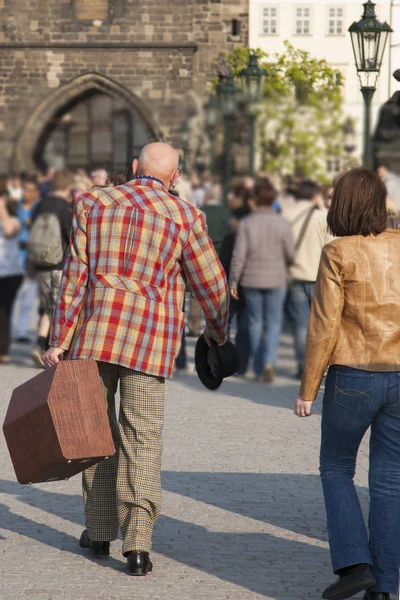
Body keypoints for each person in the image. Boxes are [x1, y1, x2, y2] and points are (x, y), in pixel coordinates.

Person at [43, 142, 229, 576]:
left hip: (94, 334)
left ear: (133, 169)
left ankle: (101, 529)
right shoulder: (185, 216)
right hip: (151, 340)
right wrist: (217, 334)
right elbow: (212, 285)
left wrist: (59, 339)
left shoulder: (93, 202)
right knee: (141, 438)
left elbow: (75, 277)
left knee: (95, 433)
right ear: (175, 176)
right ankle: (139, 544)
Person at [295, 167, 400, 600]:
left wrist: (307, 390)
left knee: (336, 467)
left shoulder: (338, 252)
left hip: (353, 373)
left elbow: (323, 327)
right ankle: (387, 585)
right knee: (390, 480)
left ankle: (355, 563)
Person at [229, 177, 294, 383]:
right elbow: (291, 253)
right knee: (274, 323)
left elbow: (239, 255)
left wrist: (233, 281)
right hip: (276, 278)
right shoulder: (283, 223)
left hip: (251, 279)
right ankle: (270, 362)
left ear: (255, 200)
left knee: (255, 322)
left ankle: (258, 366)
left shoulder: (247, 223)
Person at [283, 180, 332, 379]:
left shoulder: (286, 215)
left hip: (295, 276)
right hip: (320, 276)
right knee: (322, 324)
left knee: (300, 324)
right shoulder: (322, 216)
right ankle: (321, 366)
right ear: (315, 196)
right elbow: (331, 246)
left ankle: (304, 366)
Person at [29, 170, 74, 367]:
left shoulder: (40, 205)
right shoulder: (65, 208)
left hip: (41, 264)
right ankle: (48, 348)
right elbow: (71, 236)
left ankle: (41, 344)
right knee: (58, 309)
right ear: (67, 187)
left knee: (47, 307)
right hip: (58, 264)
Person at [11, 176, 40, 343]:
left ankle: (21, 331)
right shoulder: (14, 207)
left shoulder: (39, 208)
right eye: (24, 190)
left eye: (30, 190)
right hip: (12, 256)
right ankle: (9, 330)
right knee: (11, 297)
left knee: (28, 298)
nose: (26, 193)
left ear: (36, 193)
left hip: (31, 257)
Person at [0, 178, 23, 364]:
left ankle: (3, 349)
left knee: (4, 311)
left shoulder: (14, 219)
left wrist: (2, 211)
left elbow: (8, 231)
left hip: (9, 273)